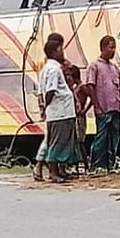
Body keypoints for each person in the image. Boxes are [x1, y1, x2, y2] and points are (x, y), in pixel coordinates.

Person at [38, 38, 78, 183]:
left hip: (61, 111)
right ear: (53, 52)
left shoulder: (47, 68)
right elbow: (50, 90)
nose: (63, 53)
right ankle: (53, 172)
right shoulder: (54, 69)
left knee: (62, 141)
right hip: (59, 111)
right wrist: (47, 105)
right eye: (61, 50)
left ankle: (60, 170)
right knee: (57, 142)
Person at [87, 36, 120, 173]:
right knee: (101, 137)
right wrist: (96, 105)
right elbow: (90, 86)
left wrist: (116, 95)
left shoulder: (114, 67)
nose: (113, 50)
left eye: (114, 47)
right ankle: (96, 165)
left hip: (115, 108)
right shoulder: (94, 66)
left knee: (113, 137)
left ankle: (110, 164)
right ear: (103, 48)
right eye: (111, 47)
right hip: (103, 108)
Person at [68, 64, 91, 173]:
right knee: (75, 141)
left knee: (80, 141)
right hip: (73, 116)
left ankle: (85, 165)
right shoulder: (73, 88)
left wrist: (84, 110)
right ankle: (76, 164)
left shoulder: (82, 87)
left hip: (80, 117)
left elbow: (91, 98)